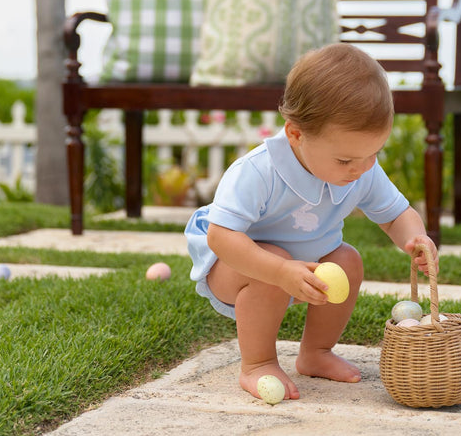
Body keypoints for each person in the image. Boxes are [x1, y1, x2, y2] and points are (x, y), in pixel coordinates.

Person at [185, 43, 439, 402]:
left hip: (305, 266)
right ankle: (257, 363)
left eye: (374, 153)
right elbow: (221, 237)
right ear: (296, 135)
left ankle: (316, 352)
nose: (361, 169)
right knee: (272, 262)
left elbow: (397, 214)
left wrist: (415, 238)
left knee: (348, 259)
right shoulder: (258, 171)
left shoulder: (361, 167)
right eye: (345, 160)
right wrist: (278, 271)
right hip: (236, 267)